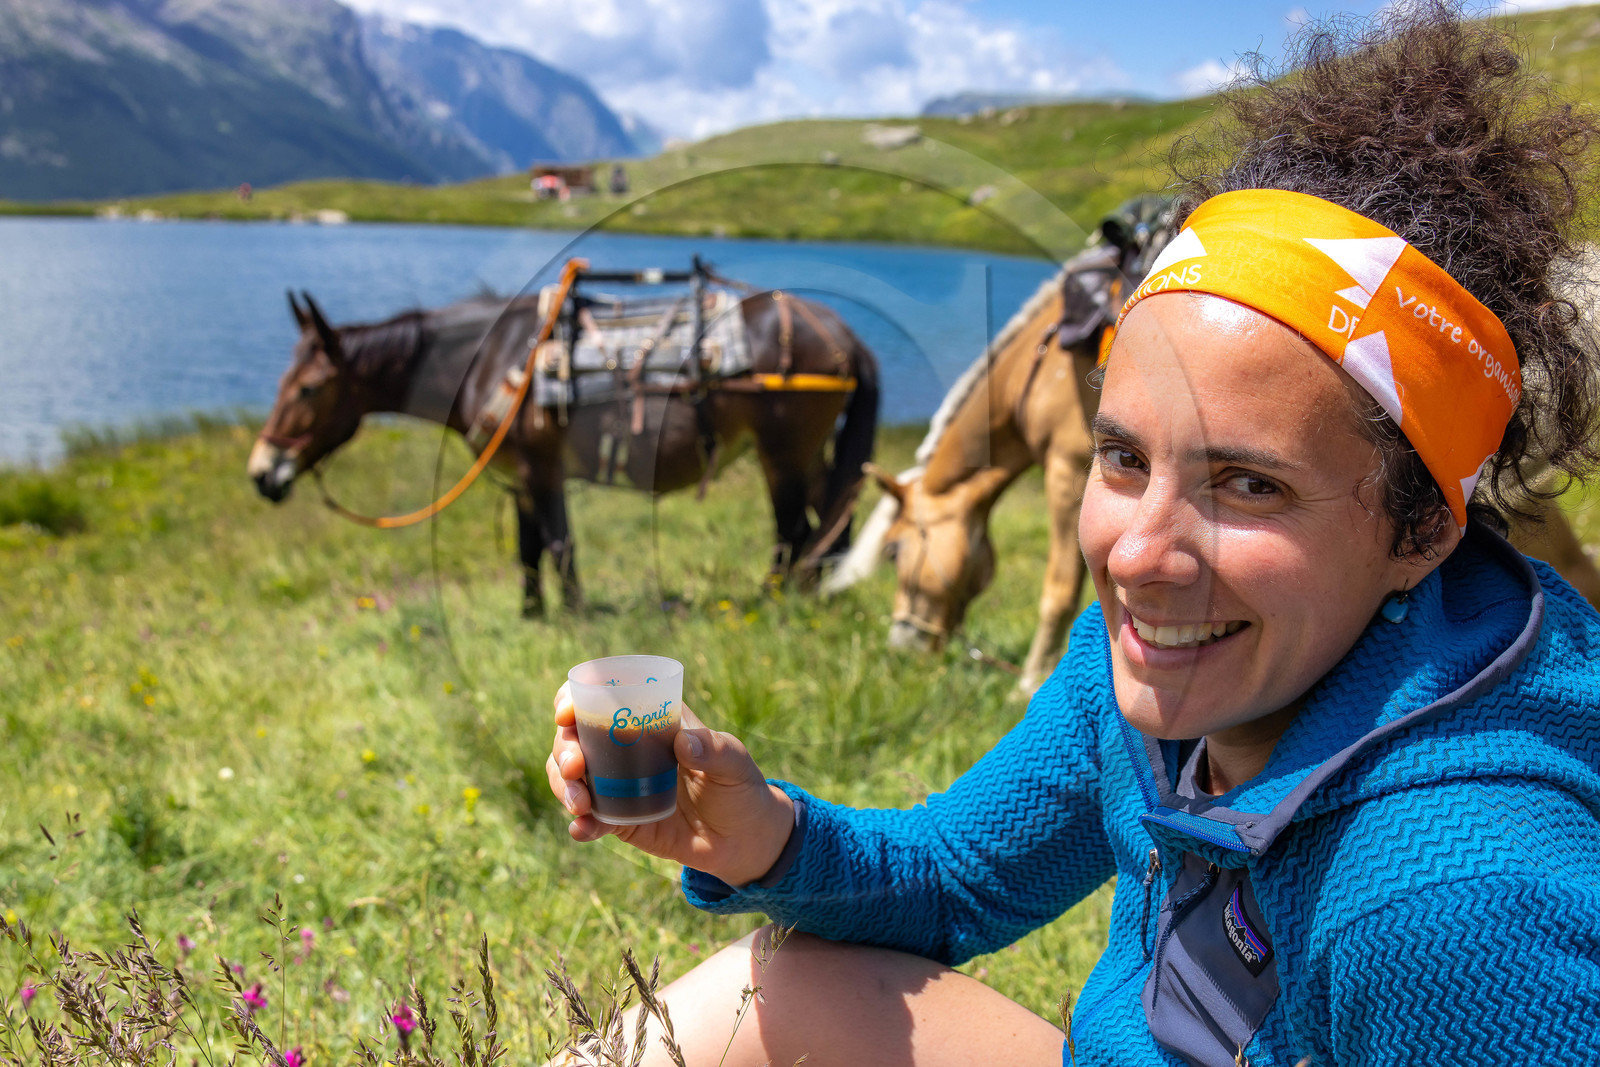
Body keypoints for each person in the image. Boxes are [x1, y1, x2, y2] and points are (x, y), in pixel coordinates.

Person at [546, 4, 1600, 1063]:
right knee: (761, 988)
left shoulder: (1451, 901)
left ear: (1421, 530)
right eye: (1124, 457)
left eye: (1246, 484)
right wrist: (757, 830)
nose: (1138, 554)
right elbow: (955, 873)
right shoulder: (1165, 666)